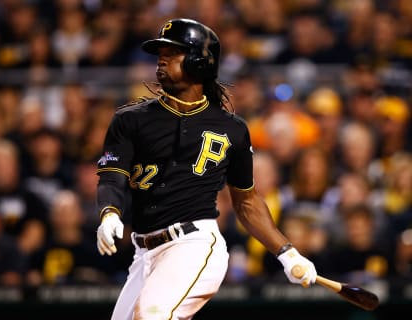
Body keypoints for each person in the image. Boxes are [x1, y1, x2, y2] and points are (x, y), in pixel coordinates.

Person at [95, 18, 317, 320]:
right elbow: (112, 176)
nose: (162, 58)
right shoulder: (130, 120)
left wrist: (288, 254)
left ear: (201, 61)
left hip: (194, 244)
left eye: (173, 52)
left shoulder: (232, 128)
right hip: (144, 254)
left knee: (152, 315)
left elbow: (247, 201)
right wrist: (109, 212)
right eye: (161, 51)